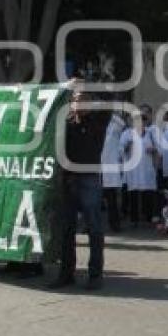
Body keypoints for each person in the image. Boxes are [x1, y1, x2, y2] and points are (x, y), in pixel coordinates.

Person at [50, 90, 110, 290]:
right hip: (68, 180)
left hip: (89, 179)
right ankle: (66, 273)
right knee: (67, 229)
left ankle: (95, 275)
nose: (76, 102)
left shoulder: (98, 120)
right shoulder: (67, 122)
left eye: (81, 99)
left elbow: (108, 103)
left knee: (94, 228)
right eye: (74, 99)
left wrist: (84, 86)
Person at [119, 104, 161, 227]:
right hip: (133, 169)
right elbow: (120, 149)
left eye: (142, 120)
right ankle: (134, 219)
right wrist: (127, 146)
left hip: (147, 167)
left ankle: (148, 218)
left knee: (148, 193)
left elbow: (160, 149)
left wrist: (153, 150)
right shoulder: (127, 133)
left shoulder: (150, 133)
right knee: (134, 194)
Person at [101, 110, 127, 232]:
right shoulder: (96, 124)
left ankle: (115, 224)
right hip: (96, 165)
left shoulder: (115, 125)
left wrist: (110, 113)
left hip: (110, 166)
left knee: (111, 199)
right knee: (93, 199)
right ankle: (90, 225)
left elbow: (122, 123)